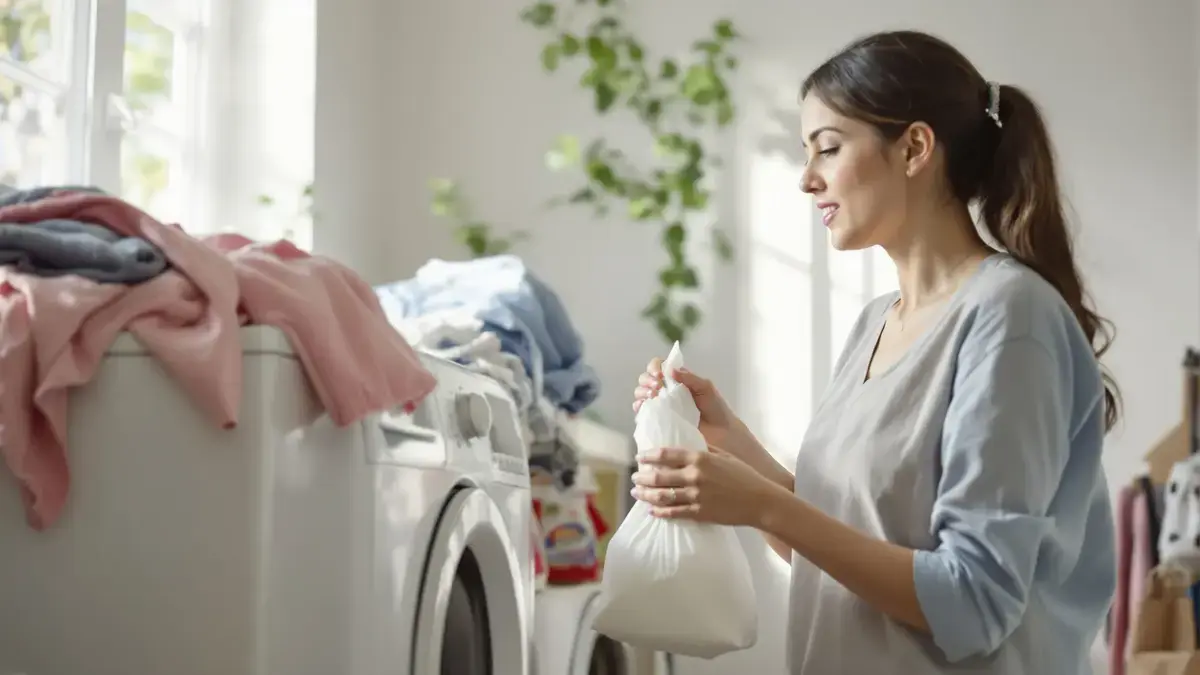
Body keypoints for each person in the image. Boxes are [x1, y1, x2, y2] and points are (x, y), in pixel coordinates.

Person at [630, 30, 1118, 674]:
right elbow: (841, 555)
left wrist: (764, 503)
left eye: (827, 149)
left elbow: (974, 602)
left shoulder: (1010, 317)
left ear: (914, 147)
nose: (807, 180)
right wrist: (732, 445)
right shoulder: (873, 324)